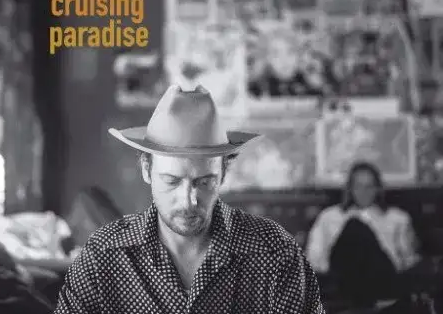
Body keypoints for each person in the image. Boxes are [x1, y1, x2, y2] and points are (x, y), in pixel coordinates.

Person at [55, 85, 325, 313]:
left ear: (223, 173)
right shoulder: (103, 255)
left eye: (204, 182)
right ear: (147, 170)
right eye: (172, 181)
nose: (188, 201)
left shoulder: (275, 252)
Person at [306, 161, 420, 308]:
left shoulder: (397, 218)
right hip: (342, 279)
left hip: (383, 280)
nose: (363, 192)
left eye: (369, 187)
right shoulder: (329, 217)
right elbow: (314, 258)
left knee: (359, 229)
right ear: (350, 189)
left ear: (378, 189)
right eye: (358, 186)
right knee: (354, 227)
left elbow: (408, 261)